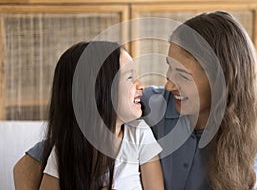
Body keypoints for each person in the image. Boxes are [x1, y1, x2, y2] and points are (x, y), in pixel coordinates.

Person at [14, 11, 257, 190]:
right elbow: (35, 161)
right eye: (169, 68)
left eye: (182, 75)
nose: (168, 85)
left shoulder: (251, 149)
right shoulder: (145, 105)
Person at [13, 41, 164, 190]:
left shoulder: (139, 134)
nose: (141, 85)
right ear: (98, 91)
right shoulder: (65, 150)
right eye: (130, 77)